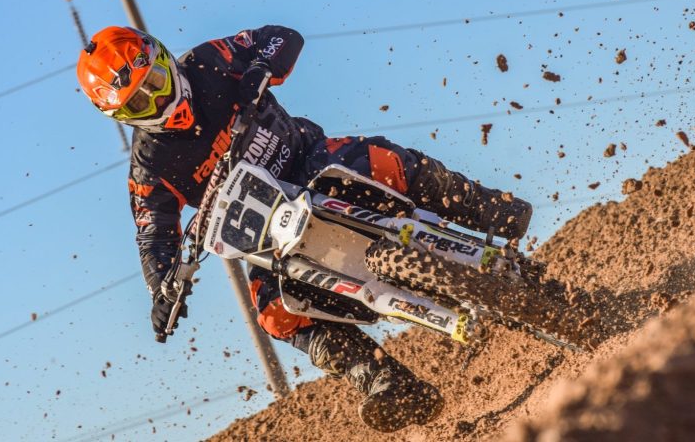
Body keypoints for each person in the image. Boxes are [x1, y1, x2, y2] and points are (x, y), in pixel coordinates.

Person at [76, 25, 532, 432]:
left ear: (163, 59)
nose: (158, 100)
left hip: (307, 161)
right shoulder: (149, 166)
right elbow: (152, 234)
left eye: (155, 82)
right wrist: (161, 288)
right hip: (263, 234)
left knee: (384, 163)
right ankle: (384, 382)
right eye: (141, 102)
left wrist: (260, 67)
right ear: (123, 118)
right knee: (276, 314)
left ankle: (486, 207)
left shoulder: (208, 61)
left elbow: (281, 36)